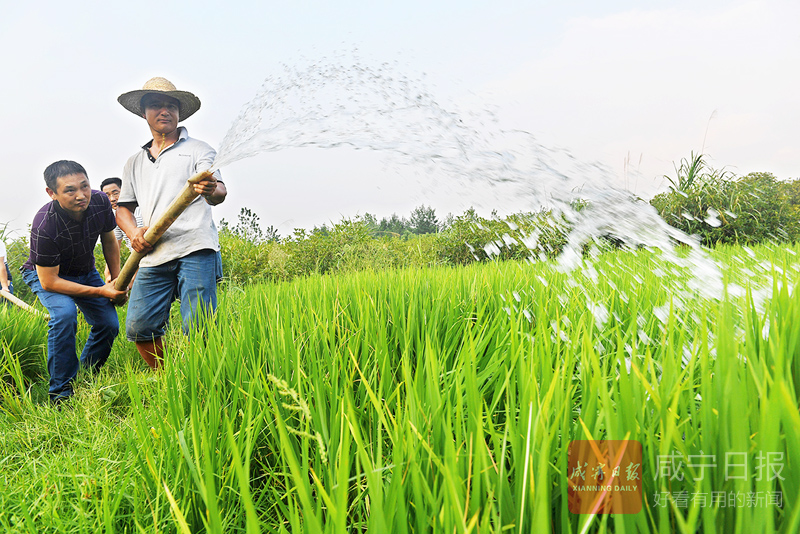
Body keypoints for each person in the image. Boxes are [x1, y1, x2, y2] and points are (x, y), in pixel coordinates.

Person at [116, 77, 227, 369]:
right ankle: (168, 378)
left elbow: (219, 192)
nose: (164, 111)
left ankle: (204, 380)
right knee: (140, 327)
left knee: (200, 327)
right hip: (153, 253)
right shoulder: (134, 162)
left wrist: (210, 188)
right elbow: (124, 210)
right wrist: (133, 232)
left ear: (180, 113)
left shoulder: (199, 149)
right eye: (155, 105)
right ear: (144, 112)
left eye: (170, 106)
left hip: (195, 245)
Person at [22, 160, 128, 404]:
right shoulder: (45, 224)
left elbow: (109, 240)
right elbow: (49, 283)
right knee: (65, 314)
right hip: (46, 275)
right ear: (52, 193)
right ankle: (61, 394)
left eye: (85, 186)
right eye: (70, 190)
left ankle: (84, 378)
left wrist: (117, 282)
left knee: (108, 324)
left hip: (85, 270)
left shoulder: (100, 201)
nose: (81, 195)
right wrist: (102, 291)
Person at [100, 177, 143, 282]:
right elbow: (113, 247)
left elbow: (144, 248)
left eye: (116, 193)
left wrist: (132, 277)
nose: (112, 199)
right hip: (139, 262)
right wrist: (109, 274)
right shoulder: (115, 218)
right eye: (107, 195)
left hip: (149, 261)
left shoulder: (139, 212)